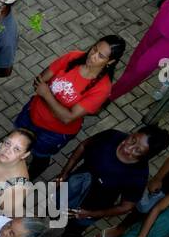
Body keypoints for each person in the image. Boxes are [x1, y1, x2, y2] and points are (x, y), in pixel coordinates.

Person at [15, 36, 124, 177]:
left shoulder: (102, 88)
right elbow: (40, 79)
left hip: (52, 133)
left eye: (101, 56)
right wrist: (57, 107)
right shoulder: (73, 57)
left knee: (40, 157)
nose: (93, 56)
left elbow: (67, 118)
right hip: (30, 114)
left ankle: (26, 181)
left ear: (110, 62)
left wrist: (47, 94)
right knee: (17, 143)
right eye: (94, 49)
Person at [51, 126, 168, 237]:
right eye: (132, 139)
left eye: (137, 151)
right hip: (72, 186)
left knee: (72, 232)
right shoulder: (112, 136)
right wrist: (64, 174)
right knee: (54, 207)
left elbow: (126, 206)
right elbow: (84, 146)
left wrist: (90, 214)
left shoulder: (137, 176)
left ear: (146, 156)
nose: (128, 148)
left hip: (90, 207)